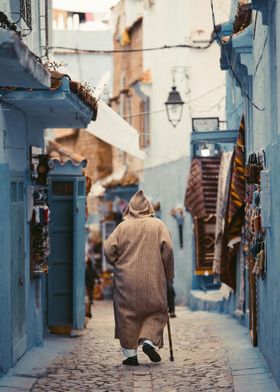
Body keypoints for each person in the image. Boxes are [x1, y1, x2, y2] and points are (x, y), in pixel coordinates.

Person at [104, 190, 174, 366]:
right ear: (149, 208)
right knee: (157, 311)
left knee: (127, 316)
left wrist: (116, 263)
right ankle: (149, 342)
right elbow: (168, 250)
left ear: (129, 209)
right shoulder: (158, 225)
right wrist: (167, 273)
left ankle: (130, 355)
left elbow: (108, 250)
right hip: (153, 280)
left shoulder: (122, 228)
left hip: (125, 281)